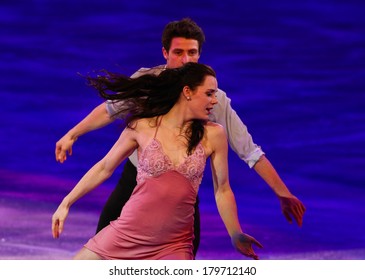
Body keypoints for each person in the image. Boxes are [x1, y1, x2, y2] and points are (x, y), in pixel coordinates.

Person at [54, 18, 305, 256]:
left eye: (192, 53)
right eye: (178, 53)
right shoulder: (147, 82)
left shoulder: (212, 99)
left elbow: (248, 151)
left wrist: (282, 193)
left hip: (181, 193)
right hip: (135, 178)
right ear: (165, 53)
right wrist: (72, 134)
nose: (186, 60)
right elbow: (110, 111)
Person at [52, 62, 263, 260]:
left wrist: (235, 233)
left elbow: (223, 190)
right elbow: (104, 167)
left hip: (174, 245)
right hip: (126, 234)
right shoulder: (142, 126)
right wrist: (66, 202)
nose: (214, 101)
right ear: (187, 92)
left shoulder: (214, 134)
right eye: (209, 94)